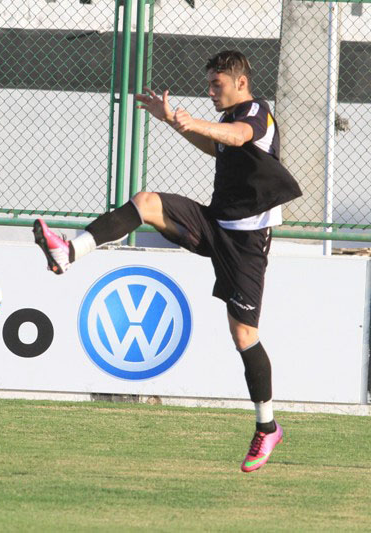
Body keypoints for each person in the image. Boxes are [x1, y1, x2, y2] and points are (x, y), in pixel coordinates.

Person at [33, 50, 301, 473]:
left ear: (241, 83)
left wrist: (192, 119)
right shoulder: (229, 118)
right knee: (145, 202)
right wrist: (174, 122)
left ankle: (267, 427)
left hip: (248, 242)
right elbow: (217, 144)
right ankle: (68, 252)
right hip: (216, 224)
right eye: (209, 84)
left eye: (218, 85)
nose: (211, 91)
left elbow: (236, 137)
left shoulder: (257, 114)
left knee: (244, 335)